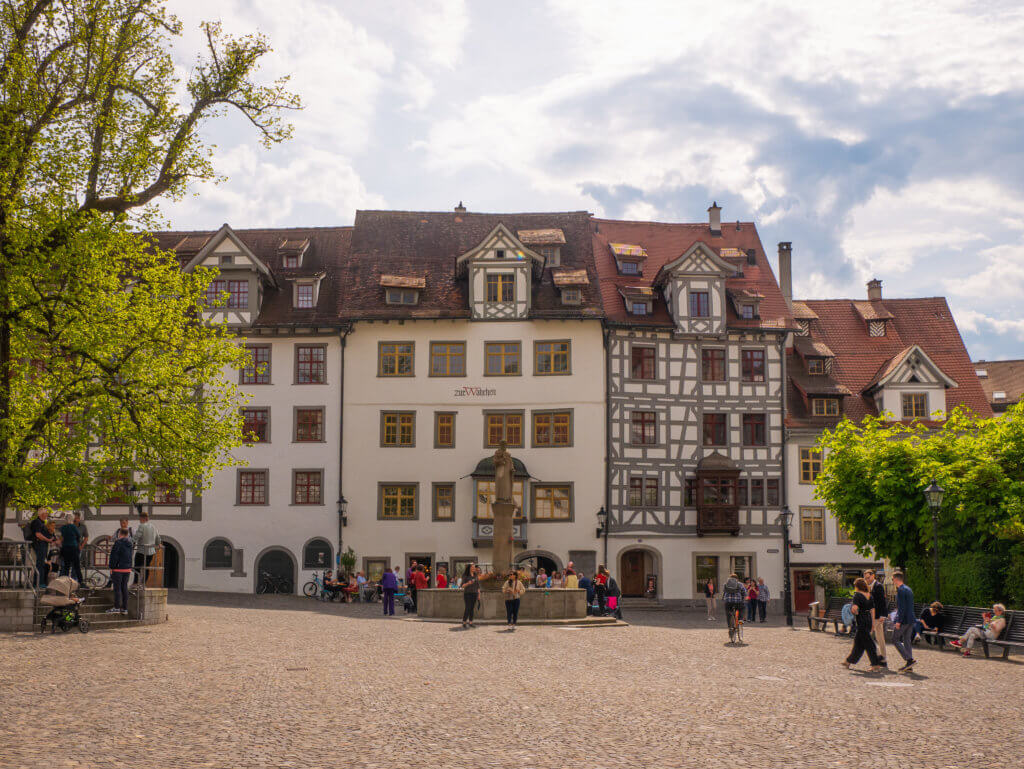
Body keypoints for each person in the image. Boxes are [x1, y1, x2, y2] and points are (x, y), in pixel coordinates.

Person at [841, 578, 883, 672]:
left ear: (857, 586)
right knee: (858, 643)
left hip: (861, 620)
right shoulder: (869, 595)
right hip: (868, 619)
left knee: (868, 643)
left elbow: (855, 609)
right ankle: (848, 661)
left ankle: (876, 664)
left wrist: (853, 611)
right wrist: (872, 623)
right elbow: (873, 610)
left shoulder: (857, 596)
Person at [890, 571, 916, 673]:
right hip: (911, 619)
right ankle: (909, 665)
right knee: (907, 640)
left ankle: (909, 660)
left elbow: (902, 608)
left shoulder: (900, 590)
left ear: (896, 579)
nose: (892, 581)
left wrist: (898, 621)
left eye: (892, 579)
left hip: (904, 620)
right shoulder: (908, 589)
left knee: (895, 639)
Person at [864, 569, 888, 667]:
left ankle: (879, 657)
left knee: (870, 636)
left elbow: (882, 601)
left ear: (873, 576)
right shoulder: (867, 586)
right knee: (879, 637)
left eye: (868, 578)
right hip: (871, 616)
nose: (867, 580)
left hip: (878, 616)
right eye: (865, 578)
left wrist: (883, 615)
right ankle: (883, 659)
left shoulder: (878, 586)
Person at [107, 528, 133, 615]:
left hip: (118, 569)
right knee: (124, 588)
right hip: (127, 569)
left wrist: (111, 567)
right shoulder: (130, 543)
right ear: (127, 534)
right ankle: (125, 608)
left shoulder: (118, 542)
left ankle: (117, 607)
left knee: (117, 588)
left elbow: (114, 556)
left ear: (120, 534)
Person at [131, 512, 161, 586]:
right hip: (151, 551)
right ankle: (143, 583)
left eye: (140, 518)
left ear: (142, 518)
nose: (139, 520)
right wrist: (158, 544)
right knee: (146, 567)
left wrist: (130, 541)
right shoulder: (153, 526)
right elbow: (158, 538)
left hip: (141, 550)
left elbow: (137, 536)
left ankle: (135, 583)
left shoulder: (141, 526)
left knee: (137, 567)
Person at [28, 507, 55, 587]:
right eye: (46, 513)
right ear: (42, 514)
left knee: (40, 564)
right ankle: (39, 583)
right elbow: (38, 534)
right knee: (40, 564)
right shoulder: (37, 522)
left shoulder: (42, 523)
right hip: (39, 545)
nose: (47, 515)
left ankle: (38, 582)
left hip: (42, 545)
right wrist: (48, 540)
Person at [58, 515, 84, 584]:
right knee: (77, 566)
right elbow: (78, 536)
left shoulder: (63, 527)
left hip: (65, 548)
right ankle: (81, 582)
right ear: (72, 520)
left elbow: (61, 536)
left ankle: (65, 582)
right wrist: (78, 543)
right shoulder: (73, 527)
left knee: (66, 566)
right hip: (73, 548)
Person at [722, 573, 746, 640]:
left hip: (728, 602)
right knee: (742, 607)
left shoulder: (725, 584)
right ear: (737, 578)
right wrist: (743, 598)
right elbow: (744, 593)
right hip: (737, 602)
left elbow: (724, 591)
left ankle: (730, 627)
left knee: (728, 614)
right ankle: (740, 620)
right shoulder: (740, 584)